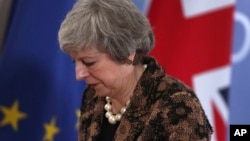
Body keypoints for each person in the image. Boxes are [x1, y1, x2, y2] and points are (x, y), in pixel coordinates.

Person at [58, 0, 213, 140]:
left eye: (89, 62)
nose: (79, 75)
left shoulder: (178, 105)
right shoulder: (93, 97)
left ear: (127, 53)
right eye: (75, 62)